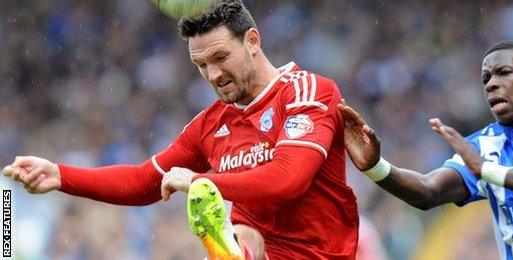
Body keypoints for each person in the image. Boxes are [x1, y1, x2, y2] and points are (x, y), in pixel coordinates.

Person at [3, 0, 359, 259]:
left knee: (241, 230)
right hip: (258, 245)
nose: (213, 75)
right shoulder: (210, 124)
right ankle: (237, 251)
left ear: (253, 41)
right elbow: (145, 181)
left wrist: (203, 183)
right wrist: (61, 176)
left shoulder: (306, 91)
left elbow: (288, 178)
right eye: (201, 64)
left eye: (220, 58)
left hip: (322, 255)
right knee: (243, 230)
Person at [338, 40, 513, 259]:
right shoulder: (484, 144)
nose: (491, 84)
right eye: (486, 78)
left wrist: (488, 170)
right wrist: (375, 167)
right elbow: (428, 190)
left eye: (503, 73)